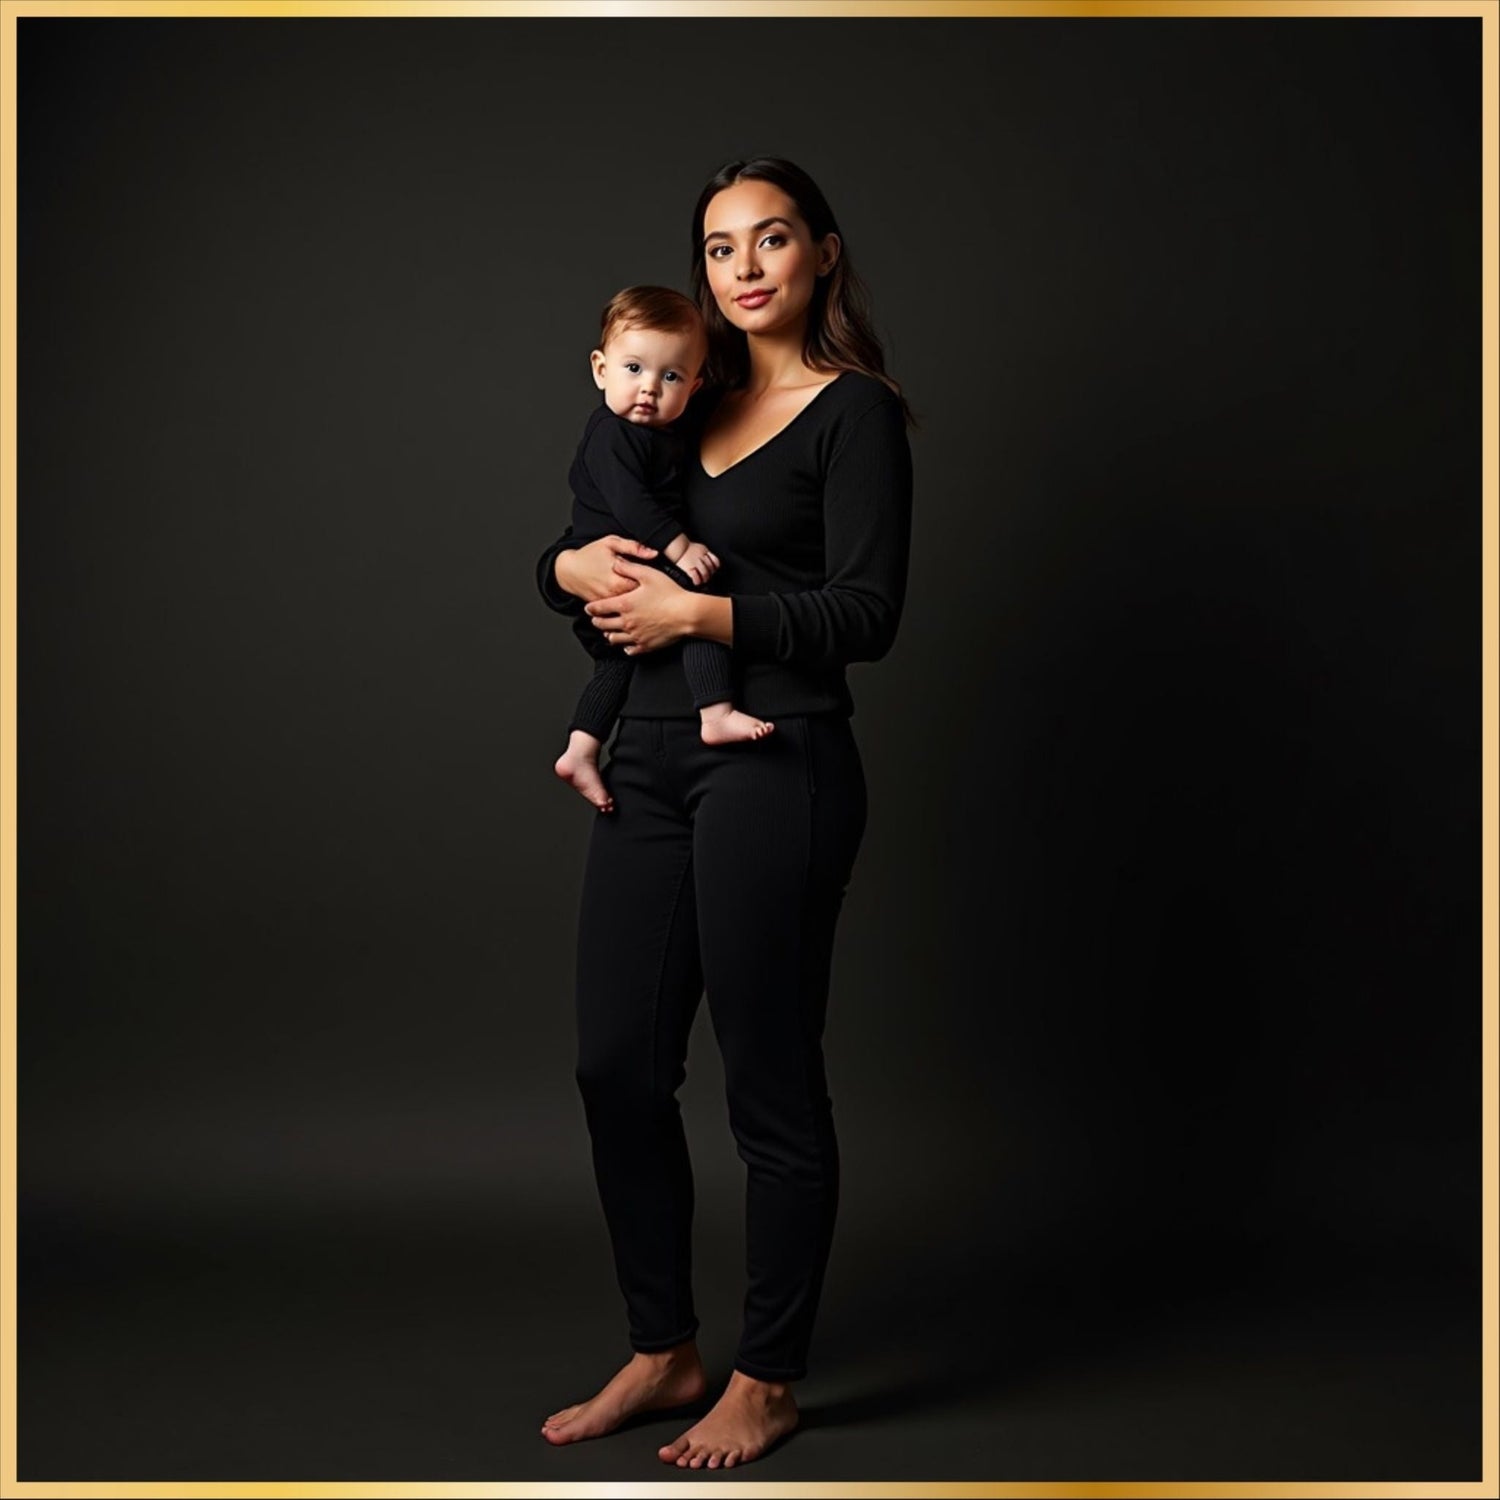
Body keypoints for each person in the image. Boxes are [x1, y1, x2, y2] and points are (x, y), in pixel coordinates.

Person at [533, 156, 914, 1470]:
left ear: (822, 254)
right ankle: (665, 1347)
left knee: (769, 1079)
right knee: (615, 1065)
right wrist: (559, 565)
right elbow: (595, 523)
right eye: (718, 247)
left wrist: (707, 616)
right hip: (644, 753)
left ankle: (767, 1374)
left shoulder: (850, 414)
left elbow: (868, 614)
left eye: (770, 241)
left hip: (777, 758)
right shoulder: (677, 388)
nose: (744, 268)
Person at [554, 286, 778, 815]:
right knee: (698, 597)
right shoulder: (612, 434)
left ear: (695, 386)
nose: (648, 389)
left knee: (615, 668)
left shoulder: (667, 433)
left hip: (623, 584)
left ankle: (581, 748)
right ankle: (716, 709)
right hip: (620, 572)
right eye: (633, 369)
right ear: (600, 369)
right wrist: (681, 549)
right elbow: (631, 504)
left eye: (670, 377)